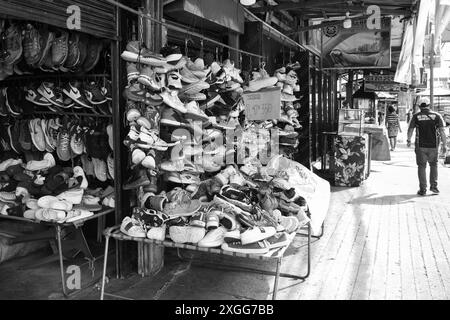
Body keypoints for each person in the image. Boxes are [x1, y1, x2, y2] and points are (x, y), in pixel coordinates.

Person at [407, 97, 447, 195]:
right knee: (433, 165)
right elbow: (442, 131)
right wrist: (444, 145)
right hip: (434, 146)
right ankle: (434, 187)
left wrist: (408, 140)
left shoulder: (416, 116)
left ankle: (423, 190)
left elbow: (410, 130)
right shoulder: (437, 116)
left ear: (419, 106)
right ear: (429, 105)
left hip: (420, 146)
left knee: (421, 166)